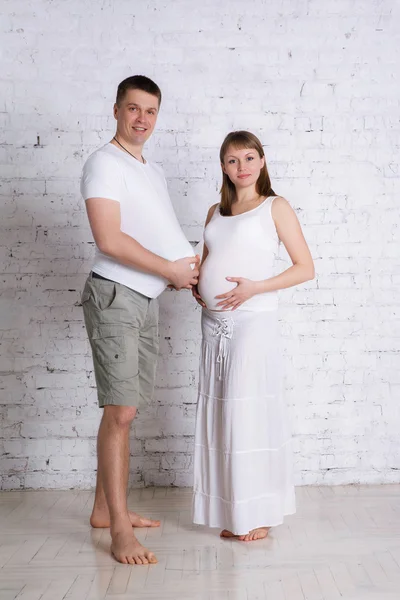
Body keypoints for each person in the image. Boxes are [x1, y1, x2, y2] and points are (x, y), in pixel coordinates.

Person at [80, 75, 199, 565]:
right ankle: (120, 532)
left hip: (146, 297)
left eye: (150, 111)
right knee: (122, 411)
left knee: (125, 410)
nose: (142, 119)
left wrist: (183, 273)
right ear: (116, 110)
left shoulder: (153, 171)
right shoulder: (103, 164)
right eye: (133, 109)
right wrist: (170, 268)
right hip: (115, 295)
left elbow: (156, 230)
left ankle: (104, 510)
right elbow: (109, 239)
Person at [192, 131, 314, 541]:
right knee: (221, 415)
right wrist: (197, 285)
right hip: (213, 325)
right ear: (223, 166)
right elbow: (208, 261)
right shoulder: (215, 211)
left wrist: (254, 288)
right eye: (231, 160)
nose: (241, 167)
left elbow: (304, 268)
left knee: (247, 415)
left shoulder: (275, 207)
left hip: (253, 320)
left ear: (262, 161)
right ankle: (234, 511)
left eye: (248, 158)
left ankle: (259, 514)